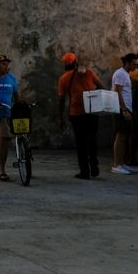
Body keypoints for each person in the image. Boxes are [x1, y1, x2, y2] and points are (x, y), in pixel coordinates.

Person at [57, 51, 103, 179]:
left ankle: (85, 171)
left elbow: (61, 99)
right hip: (92, 111)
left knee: (81, 143)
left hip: (76, 114)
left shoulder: (63, 78)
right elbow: (101, 86)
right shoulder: (88, 72)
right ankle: (94, 166)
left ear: (65, 65)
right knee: (92, 140)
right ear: (75, 63)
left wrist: (60, 117)